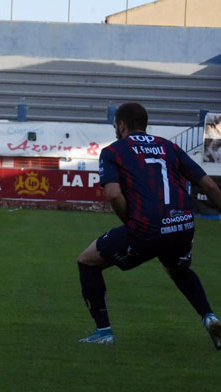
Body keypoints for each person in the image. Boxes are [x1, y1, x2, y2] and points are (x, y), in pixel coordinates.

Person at [77, 102, 221, 349]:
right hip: (182, 224)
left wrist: (130, 224)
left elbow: (113, 194)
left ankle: (103, 332)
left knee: (87, 261)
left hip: (147, 227)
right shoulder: (169, 146)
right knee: (177, 269)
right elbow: (210, 187)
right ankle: (210, 317)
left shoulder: (114, 151)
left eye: (115, 125)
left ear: (121, 125)